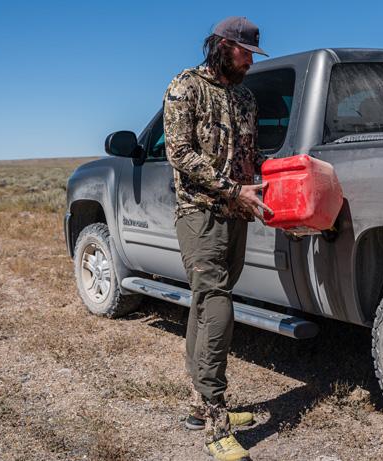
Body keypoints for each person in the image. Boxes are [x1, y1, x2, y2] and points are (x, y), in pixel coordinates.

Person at [163, 16, 272, 461]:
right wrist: (231, 190)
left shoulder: (245, 96)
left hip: (237, 215)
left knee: (206, 305)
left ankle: (197, 405)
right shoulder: (186, 87)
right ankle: (215, 421)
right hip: (199, 213)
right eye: (245, 52)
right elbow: (180, 152)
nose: (250, 61)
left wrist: (276, 178)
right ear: (224, 46)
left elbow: (250, 156)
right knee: (217, 305)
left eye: (252, 54)